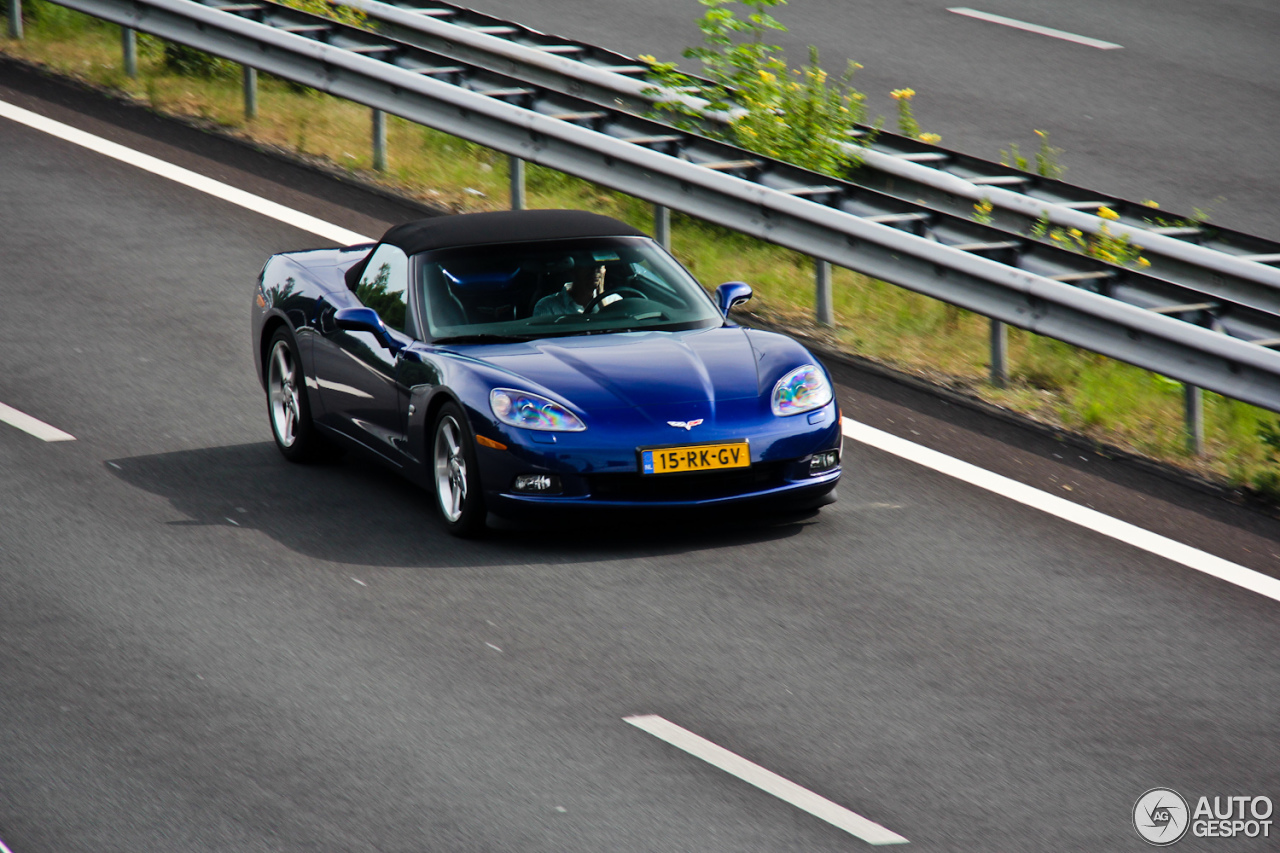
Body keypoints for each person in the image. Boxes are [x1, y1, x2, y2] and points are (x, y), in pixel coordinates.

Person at [533, 260, 605, 317]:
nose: (596, 270)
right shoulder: (548, 306)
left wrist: (601, 297)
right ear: (572, 270)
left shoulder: (612, 301)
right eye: (588, 265)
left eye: (600, 266)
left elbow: (614, 329)